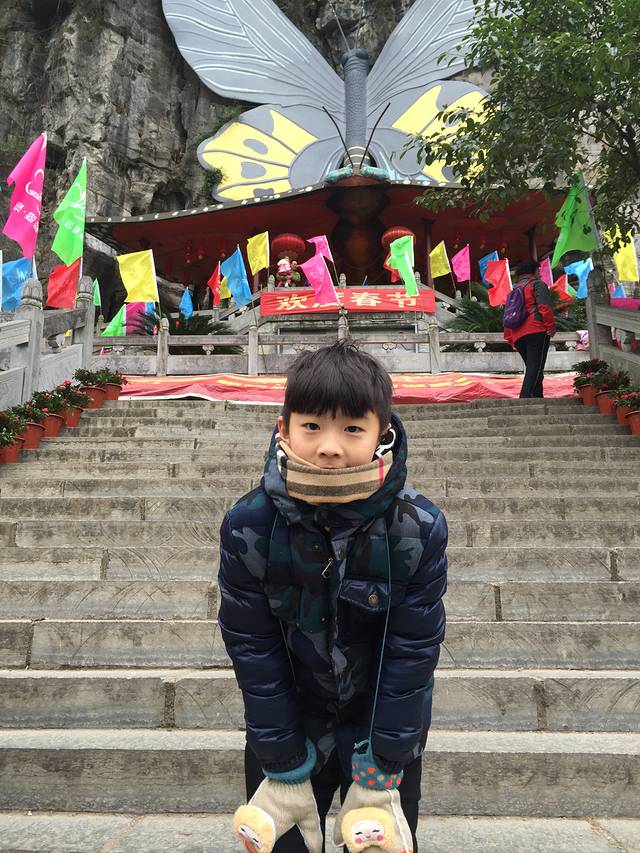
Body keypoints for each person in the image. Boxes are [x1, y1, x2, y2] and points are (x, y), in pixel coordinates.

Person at [218, 341, 448, 853]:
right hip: (288, 719)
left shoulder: (417, 527)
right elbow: (252, 646)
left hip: (381, 723)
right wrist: (282, 758)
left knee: (378, 842)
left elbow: (412, 652)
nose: (330, 447)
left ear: (382, 433)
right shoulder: (248, 525)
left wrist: (384, 761)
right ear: (284, 428)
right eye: (312, 426)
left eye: (352, 429)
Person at [503, 259, 557, 398]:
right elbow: (544, 307)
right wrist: (551, 327)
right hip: (536, 330)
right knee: (536, 368)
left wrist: (510, 338)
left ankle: (538, 397)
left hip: (517, 335)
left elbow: (508, 315)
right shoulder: (537, 284)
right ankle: (525, 398)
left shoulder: (514, 290)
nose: (540, 273)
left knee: (534, 369)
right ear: (533, 271)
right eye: (538, 270)